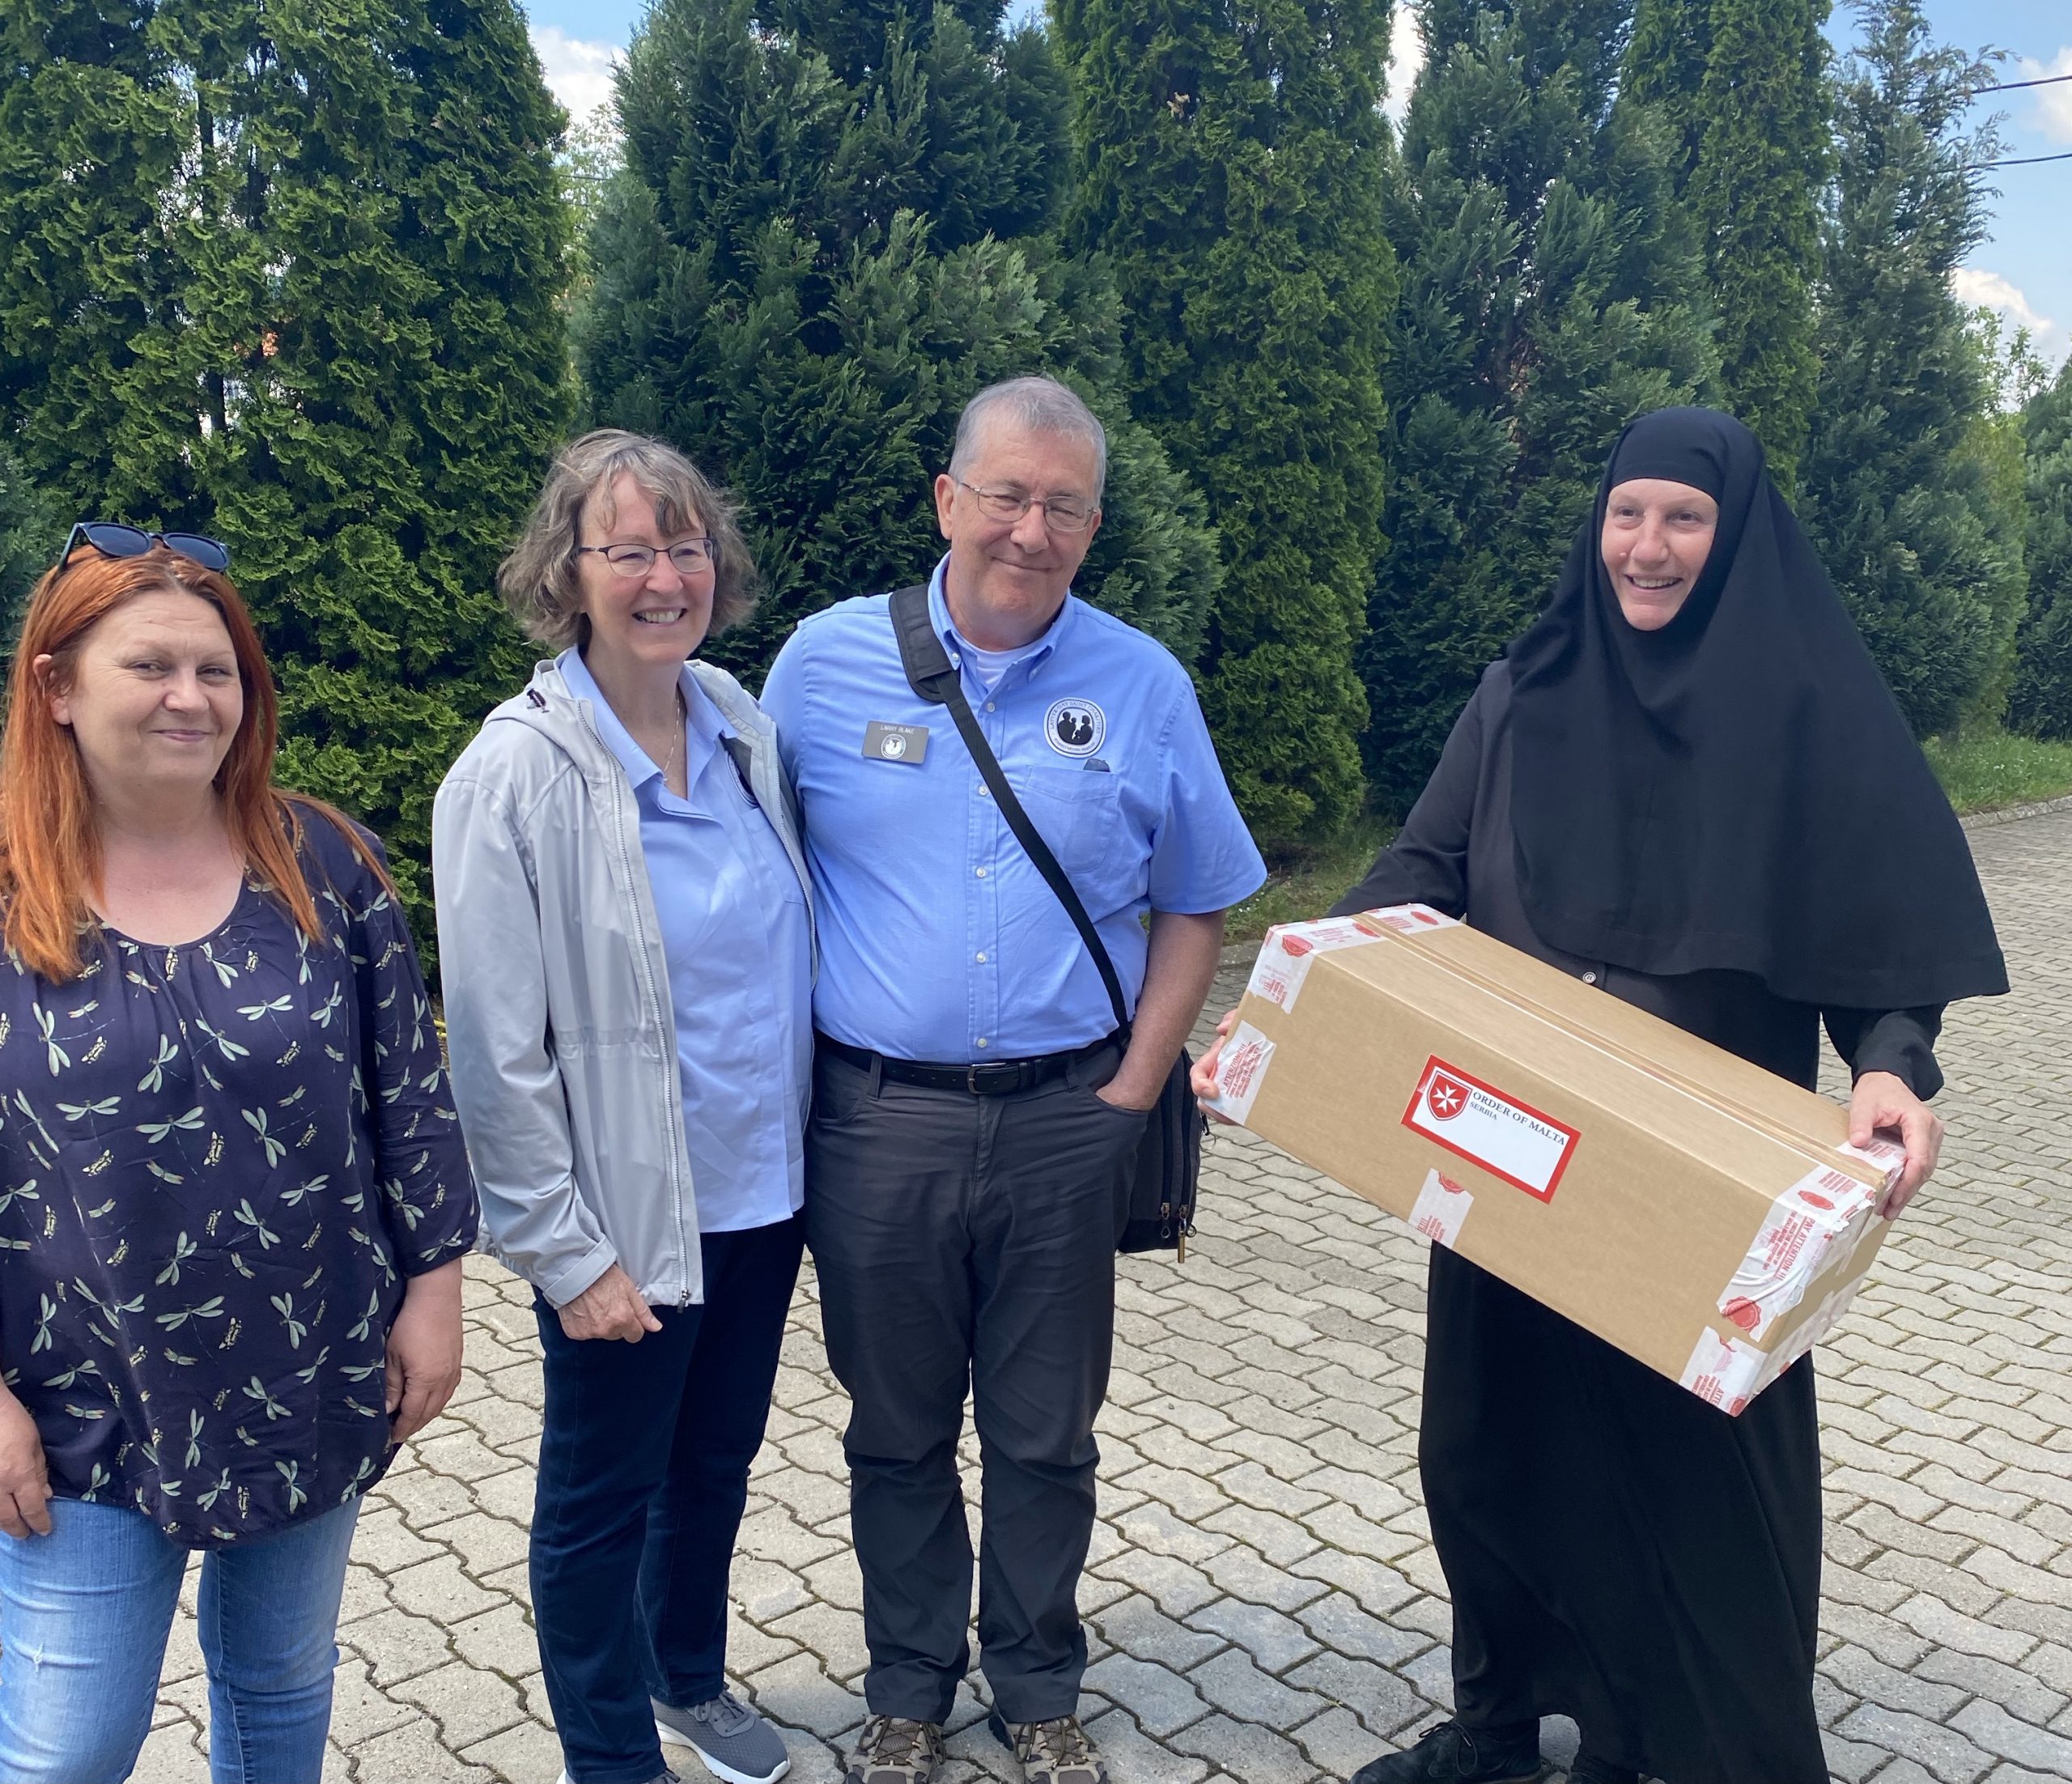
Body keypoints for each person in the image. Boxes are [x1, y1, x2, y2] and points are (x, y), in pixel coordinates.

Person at [1198, 407, 2007, 1784]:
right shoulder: (1528, 688)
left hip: (1698, 1186)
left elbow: (1883, 929)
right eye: (1627, 514)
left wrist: (1890, 1065)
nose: (1648, 546)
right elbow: (1422, 870)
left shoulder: (1805, 710)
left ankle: (1699, 1751)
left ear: (1734, 532)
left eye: (1682, 519)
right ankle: (1503, 1726)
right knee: (1486, 1447)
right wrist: (1289, 1011)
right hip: (1511, 1155)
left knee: (1696, 1492)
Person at [759, 376, 1266, 1784]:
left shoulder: (1142, 683)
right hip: (874, 1124)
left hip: (1065, 1123)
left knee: (1046, 1434)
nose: (1029, 530)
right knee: (897, 1430)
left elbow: (1197, 901)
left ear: (1092, 527)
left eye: (1062, 506)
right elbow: (744, 871)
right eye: (1006, 495)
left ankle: (1038, 1684)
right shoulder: (820, 666)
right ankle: (909, 1688)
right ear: (947, 499)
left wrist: (1137, 1087)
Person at [0, 525, 475, 1783]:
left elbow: (407, 1091)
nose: (190, 697)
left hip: (308, 1371)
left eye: (217, 671)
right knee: (65, 1747)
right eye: (149, 665)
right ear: (55, 688)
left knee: (279, 1697)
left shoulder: (323, 862)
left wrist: (436, 1289)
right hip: (78, 1403)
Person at [434, 431, 813, 1784]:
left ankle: (686, 1678)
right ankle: (610, 1756)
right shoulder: (514, 776)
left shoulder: (741, 722)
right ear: (569, 573)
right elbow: (492, 1047)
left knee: (714, 1463)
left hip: (761, 1199)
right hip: (621, 1221)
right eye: (630, 548)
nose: (666, 574)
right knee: (599, 1502)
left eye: (686, 543)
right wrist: (562, 1248)